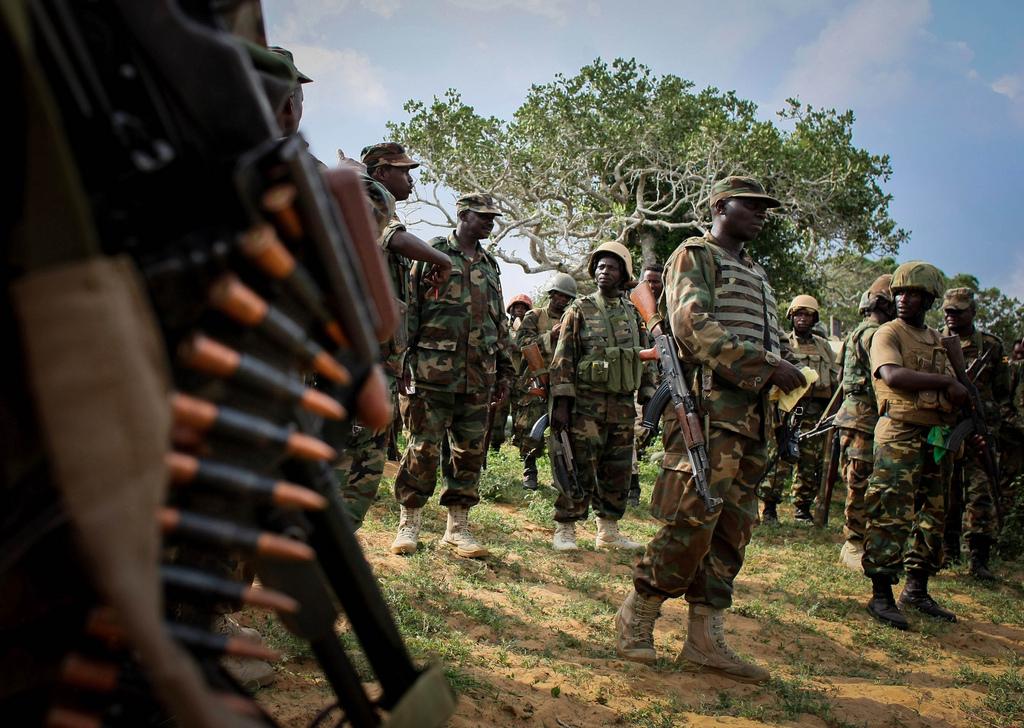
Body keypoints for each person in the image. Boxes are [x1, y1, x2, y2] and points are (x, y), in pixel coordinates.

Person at [614, 176, 804, 683]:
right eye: (753, 205)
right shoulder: (696, 254)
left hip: (753, 420)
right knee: (690, 520)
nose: (763, 214)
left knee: (732, 530)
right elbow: (692, 325)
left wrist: (784, 368)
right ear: (721, 205)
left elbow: (774, 339)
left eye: (767, 207)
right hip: (710, 412)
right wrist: (766, 365)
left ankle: (704, 639)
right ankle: (639, 614)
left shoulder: (757, 273)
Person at [334, 143, 452, 528]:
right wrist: (442, 259)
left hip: (378, 363)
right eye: (403, 171)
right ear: (380, 173)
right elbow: (395, 239)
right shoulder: (373, 214)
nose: (411, 179)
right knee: (354, 464)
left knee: (362, 463)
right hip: (357, 363)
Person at [391, 193, 514, 558]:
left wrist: (505, 370)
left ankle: (457, 528)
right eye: (483, 216)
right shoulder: (433, 254)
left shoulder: (491, 265)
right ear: (462, 215)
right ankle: (409, 523)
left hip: (479, 376)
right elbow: (410, 308)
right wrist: (401, 363)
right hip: (431, 373)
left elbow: (499, 321)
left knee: (468, 453)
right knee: (423, 448)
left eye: (493, 217)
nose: (490, 222)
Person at [863, 261, 968, 630]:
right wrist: (944, 383)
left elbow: (958, 387)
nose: (904, 299)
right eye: (900, 293)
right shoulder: (887, 333)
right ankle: (881, 595)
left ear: (929, 299)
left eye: (914, 294)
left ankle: (917, 588)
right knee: (890, 512)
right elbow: (892, 374)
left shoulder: (940, 340)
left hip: (936, 437)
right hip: (900, 434)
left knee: (934, 513)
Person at [548, 243, 655, 551]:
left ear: (624, 273)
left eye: (611, 267)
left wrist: (648, 393)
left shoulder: (634, 313)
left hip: (622, 405)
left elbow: (644, 355)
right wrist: (562, 404)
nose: (603, 272)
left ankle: (608, 531)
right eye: (599, 266)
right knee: (578, 466)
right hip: (586, 406)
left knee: (617, 469)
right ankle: (565, 528)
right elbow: (563, 357)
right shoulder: (579, 309)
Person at [939, 287, 1009, 579]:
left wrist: (985, 424)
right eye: (948, 311)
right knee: (945, 491)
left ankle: (979, 557)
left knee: (980, 492)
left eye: (958, 310)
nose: (951, 316)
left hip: (978, 429)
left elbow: (1002, 393)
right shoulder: (936, 341)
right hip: (946, 428)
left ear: (973, 312)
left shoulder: (991, 347)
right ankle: (947, 550)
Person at [833, 275, 894, 571]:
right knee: (859, 479)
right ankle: (853, 543)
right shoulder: (872, 334)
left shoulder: (865, 332)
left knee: (865, 479)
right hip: (862, 416)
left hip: (865, 414)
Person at [760, 294, 839, 522]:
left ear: (815, 319)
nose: (803, 319)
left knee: (810, 461)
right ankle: (770, 508)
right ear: (791, 317)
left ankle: (802, 508)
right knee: (780, 459)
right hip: (788, 411)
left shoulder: (823, 347)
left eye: (808, 315)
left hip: (817, 413)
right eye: (798, 314)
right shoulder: (785, 343)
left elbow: (834, 379)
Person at [514, 275, 577, 490]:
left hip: (562, 382)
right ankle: (529, 471)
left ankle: (560, 474)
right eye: (559, 294)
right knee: (529, 428)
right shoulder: (535, 316)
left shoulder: (574, 318)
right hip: (536, 381)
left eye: (567, 297)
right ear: (551, 294)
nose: (562, 300)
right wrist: (551, 335)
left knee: (564, 431)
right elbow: (521, 344)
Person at [491, 294, 533, 452]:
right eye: (517, 307)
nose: (520, 310)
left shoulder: (530, 328)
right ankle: (495, 447)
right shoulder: (503, 328)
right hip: (503, 375)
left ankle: (522, 448)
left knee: (521, 413)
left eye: (523, 307)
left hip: (522, 377)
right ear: (511, 309)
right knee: (499, 411)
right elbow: (511, 344)